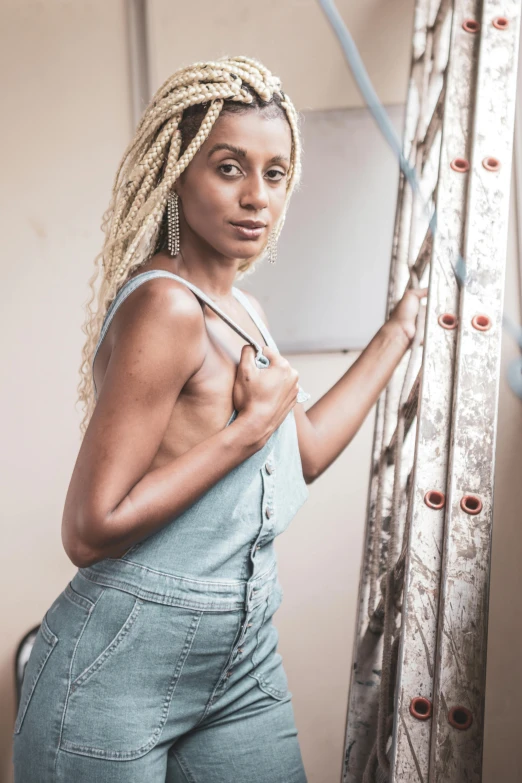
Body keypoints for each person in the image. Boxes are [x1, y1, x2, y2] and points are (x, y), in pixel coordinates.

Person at [12, 56, 425, 782]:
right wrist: (245, 430)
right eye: (228, 168)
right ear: (177, 173)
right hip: (117, 667)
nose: (255, 197)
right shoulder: (165, 307)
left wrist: (397, 333)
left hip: (239, 654)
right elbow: (88, 526)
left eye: (274, 174)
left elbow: (306, 448)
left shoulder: (247, 311)